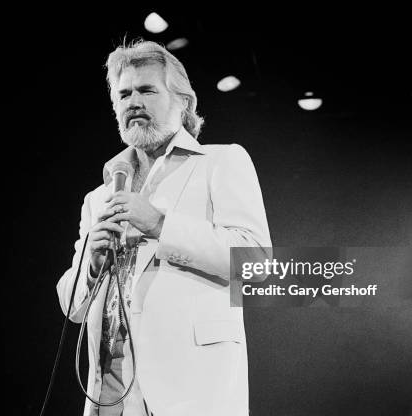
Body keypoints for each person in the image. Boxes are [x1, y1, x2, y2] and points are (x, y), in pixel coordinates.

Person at [56, 40, 271, 416]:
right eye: (123, 94)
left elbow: (256, 264)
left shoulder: (220, 162)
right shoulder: (98, 197)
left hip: (190, 392)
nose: (132, 102)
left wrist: (159, 224)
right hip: (111, 394)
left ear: (183, 102)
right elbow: (72, 309)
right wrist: (91, 263)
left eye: (147, 90)